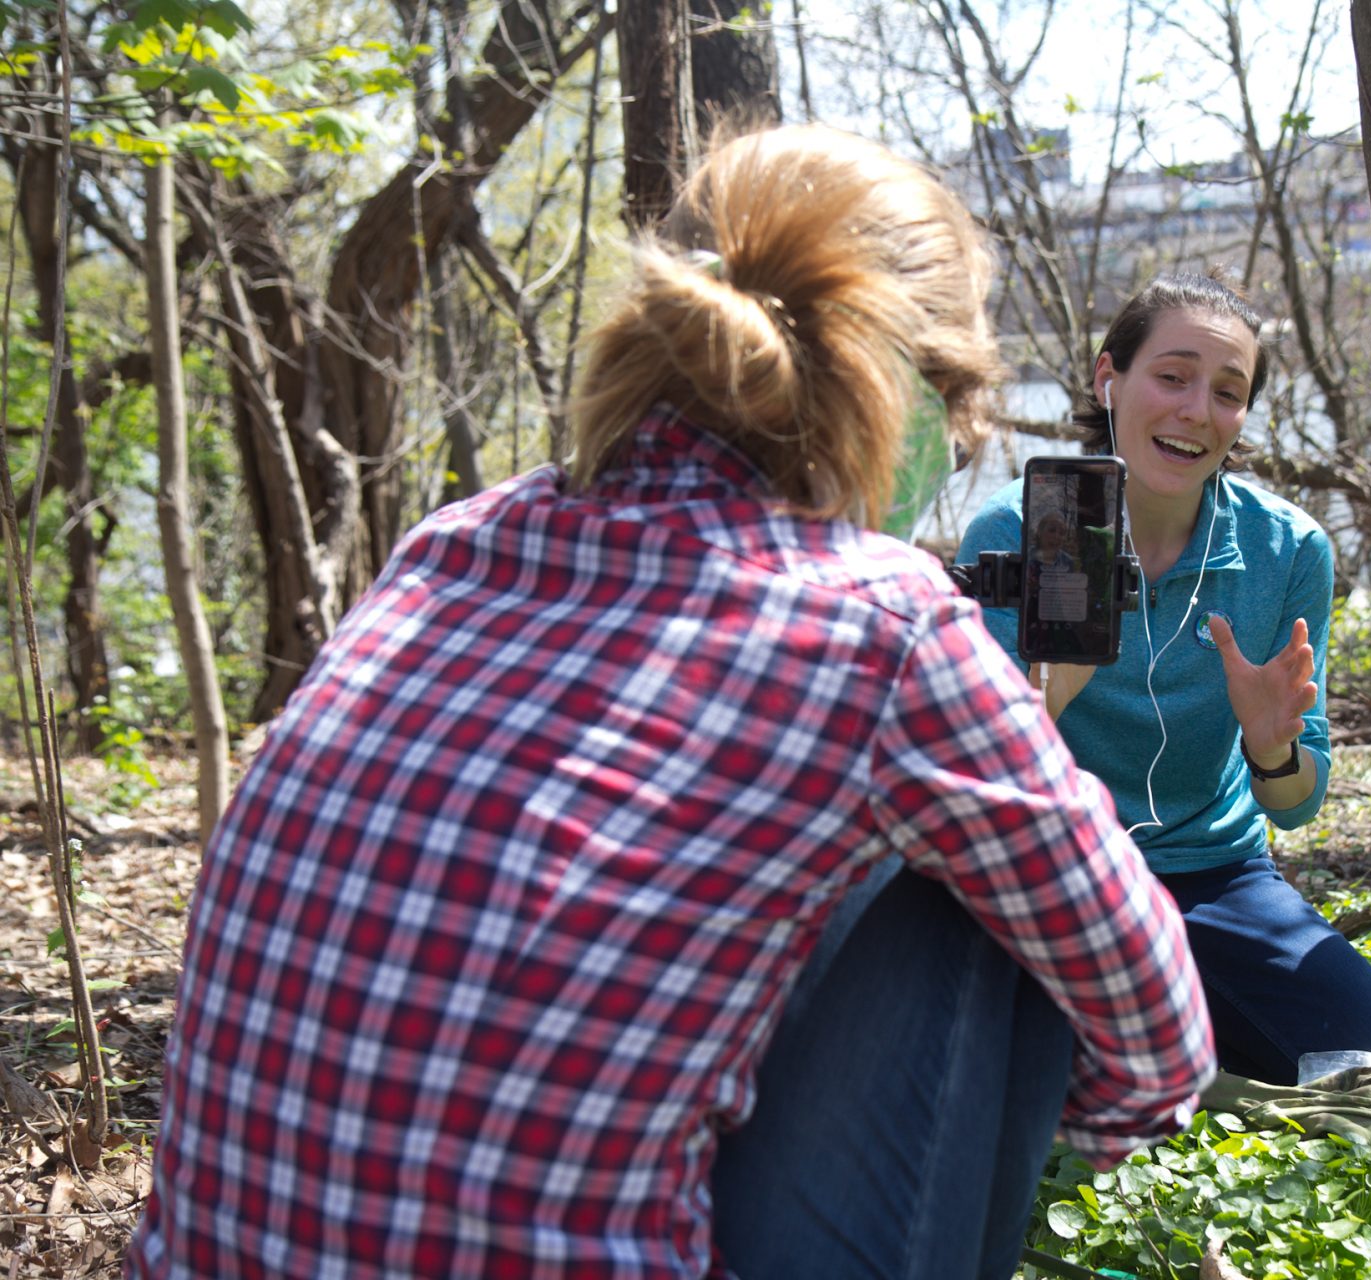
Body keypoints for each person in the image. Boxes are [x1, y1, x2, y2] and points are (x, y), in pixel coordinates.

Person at [127, 127, 1213, 1280]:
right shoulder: (883, 622)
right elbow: (1156, 1032)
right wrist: (1045, 1125)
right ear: (908, 386)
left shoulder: (453, 542)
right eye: (957, 402)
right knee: (1003, 892)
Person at [958, 271, 1371, 1107]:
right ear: (1108, 378)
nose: (1197, 410)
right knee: (1008, 1082)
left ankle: (1181, 1063)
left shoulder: (1287, 550)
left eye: (1228, 392)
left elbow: (1296, 805)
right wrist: (1051, 688)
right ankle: (1158, 1061)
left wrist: (1271, 746)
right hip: (1059, 876)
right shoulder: (1019, 532)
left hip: (1217, 878)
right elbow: (975, 779)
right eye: (1172, 375)